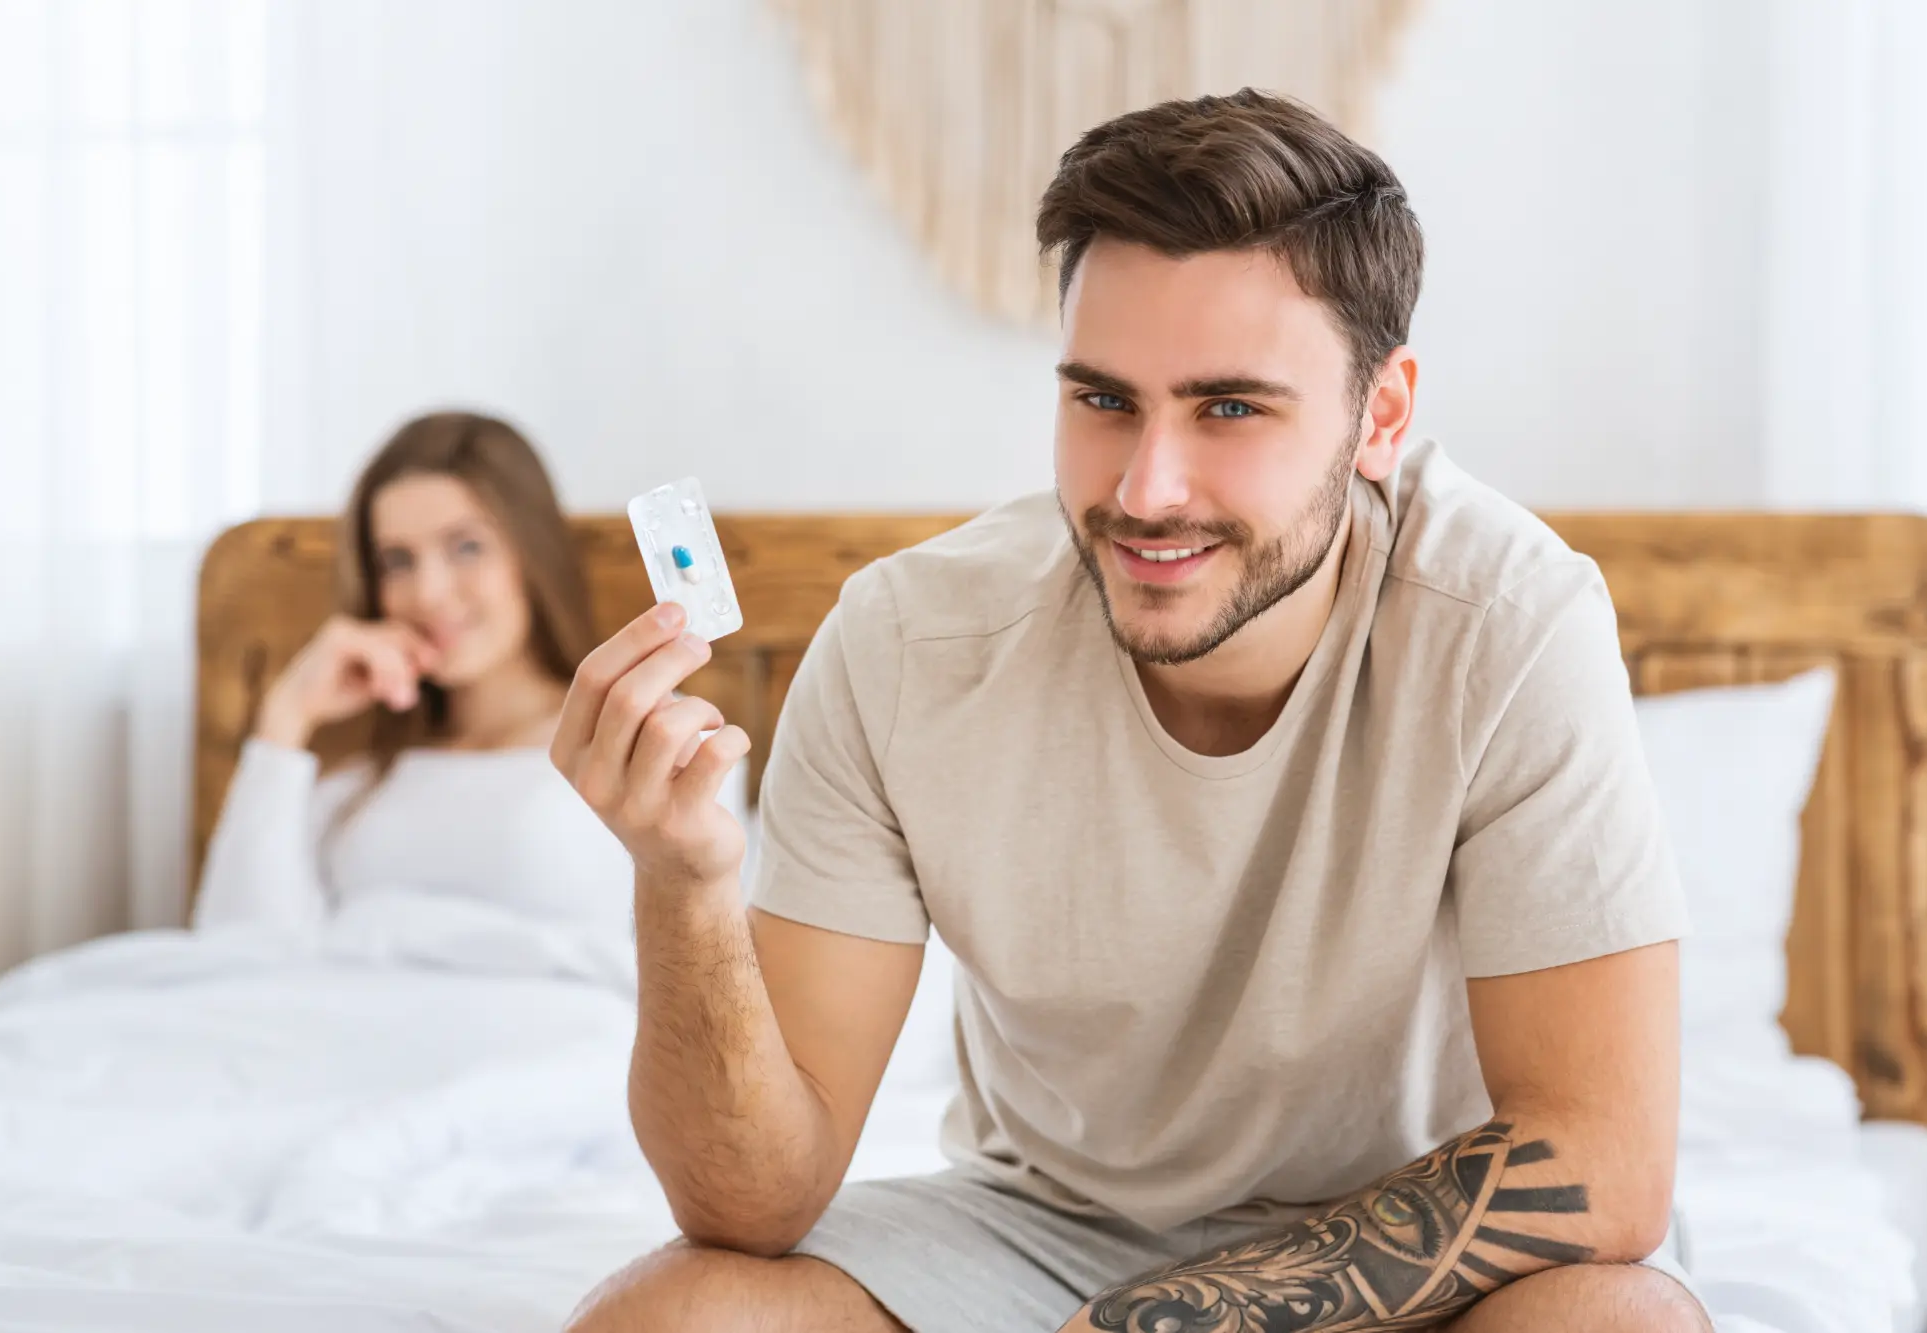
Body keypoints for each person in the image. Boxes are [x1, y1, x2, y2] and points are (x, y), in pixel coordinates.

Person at [553, 91, 1707, 1332]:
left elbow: (1601, 1158)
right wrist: (682, 884)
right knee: (672, 1314)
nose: (1147, 490)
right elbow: (750, 1204)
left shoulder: (1508, 623)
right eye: (1102, 401)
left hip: (1422, 1253)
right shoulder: (907, 646)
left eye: (1228, 408)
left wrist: (1150, 1326)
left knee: (1615, 1321)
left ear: (1378, 416)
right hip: (1038, 1237)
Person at [194, 412, 653, 992]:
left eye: (466, 546)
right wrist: (285, 720)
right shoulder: (358, 774)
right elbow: (235, 957)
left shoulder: (641, 733)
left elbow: (710, 965)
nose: (429, 593)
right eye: (398, 561)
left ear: (532, 554)